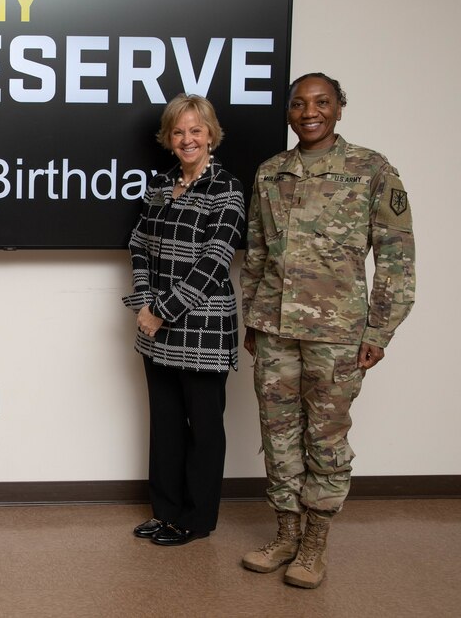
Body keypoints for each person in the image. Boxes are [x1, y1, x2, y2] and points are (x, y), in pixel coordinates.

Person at [240, 73, 415, 588]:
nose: (308, 111)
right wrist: (252, 317)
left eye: (321, 102)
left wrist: (379, 331)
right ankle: (285, 534)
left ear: (340, 108)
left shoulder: (371, 169)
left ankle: (315, 542)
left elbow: (397, 258)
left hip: (337, 334)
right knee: (277, 435)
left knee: (326, 438)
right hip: (274, 328)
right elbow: (254, 254)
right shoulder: (271, 173)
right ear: (289, 112)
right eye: (298, 103)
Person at [122, 94, 245, 547]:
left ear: (210, 134)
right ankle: (166, 513)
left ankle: (196, 520)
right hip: (155, 327)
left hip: (203, 330)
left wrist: (161, 311)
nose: (187, 139)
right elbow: (138, 242)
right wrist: (143, 300)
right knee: (166, 425)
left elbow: (214, 262)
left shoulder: (227, 188)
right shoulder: (160, 185)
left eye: (196, 130)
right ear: (169, 138)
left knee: (205, 430)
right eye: (179, 131)